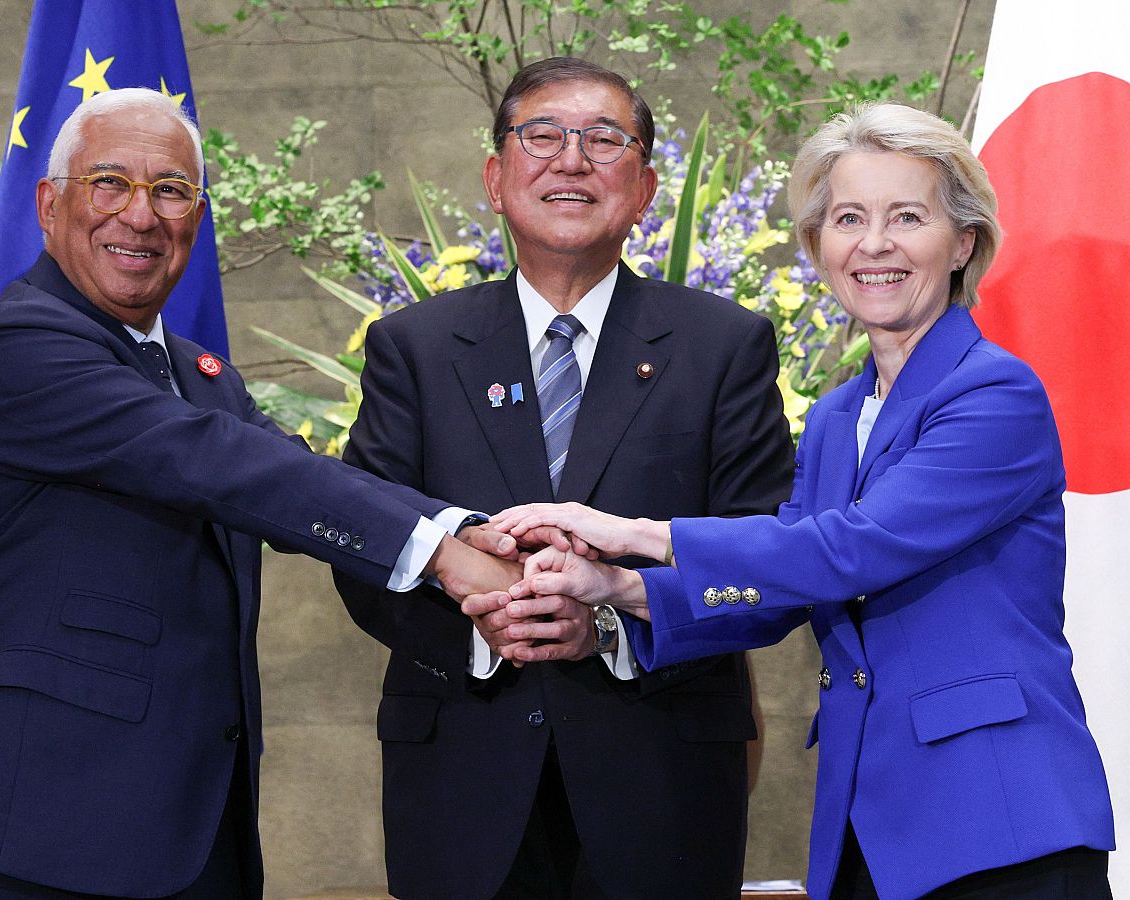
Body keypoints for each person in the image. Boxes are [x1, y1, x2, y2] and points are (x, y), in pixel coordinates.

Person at [0, 88, 518, 900]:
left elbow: (292, 477)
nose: (140, 215)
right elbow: (220, 462)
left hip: (186, 839)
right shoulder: (16, 346)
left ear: (198, 215)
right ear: (48, 204)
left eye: (172, 190)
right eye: (108, 182)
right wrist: (445, 552)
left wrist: (483, 536)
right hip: (29, 837)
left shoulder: (198, 376)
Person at [485, 103, 1117, 899]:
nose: (875, 244)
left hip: (998, 819)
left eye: (907, 217)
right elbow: (778, 590)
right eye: (848, 218)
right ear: (820, 247)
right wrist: (616, 590)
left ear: (963, 244)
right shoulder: (833, 417)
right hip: (870, 821)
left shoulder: (995, 392)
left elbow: (849, 548)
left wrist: (635, 535)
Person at [332, 58, 794, 899]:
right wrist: (489, 628)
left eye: (604, 140)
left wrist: (613, 627)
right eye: (542, 135)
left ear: (647, 186)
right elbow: (367, 543)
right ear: (496, 176)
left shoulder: (724, 347)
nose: (571, 161)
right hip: (463, 784)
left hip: (662, 788)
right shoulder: (416, 348)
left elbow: (758, 558)